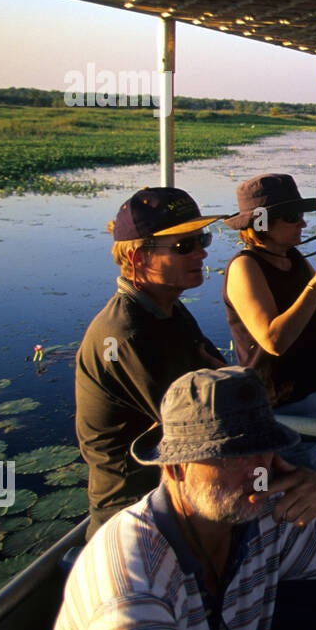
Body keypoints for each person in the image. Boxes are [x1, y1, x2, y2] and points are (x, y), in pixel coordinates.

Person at [53, 366, 316, 630]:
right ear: (175, 468)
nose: (257, 470)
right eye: (231, 457)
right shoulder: (136, 591)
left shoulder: (262, 516)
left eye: (264, 448)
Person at [75, 187, 227, 538]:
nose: (202, 251)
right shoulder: (126, 335)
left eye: (201, 238)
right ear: (139, 258)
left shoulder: (168, 309)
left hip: (177, 493)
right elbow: (194, 430)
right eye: (183, 245)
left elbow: (216, 385)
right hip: (135, 518)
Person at [223, 173, 316, 481]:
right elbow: (272, 340)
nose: (303, 224)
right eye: (292, 217)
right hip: (284, 406)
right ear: (262, 223)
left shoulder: (292, 258)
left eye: (301, 216)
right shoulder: (245, 267)